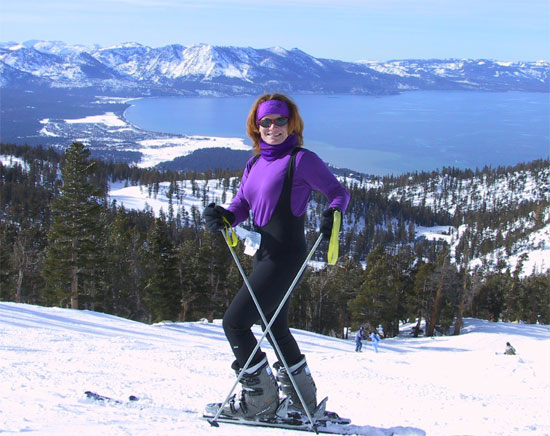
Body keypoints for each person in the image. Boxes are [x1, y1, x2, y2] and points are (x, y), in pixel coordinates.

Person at [203, 93, 350, 419]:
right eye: (265, 121)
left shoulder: (301, 160)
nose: (273, 127)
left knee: (235, 323)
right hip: (265, 254)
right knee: (275, 328)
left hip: (285, 257)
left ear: (291, 122)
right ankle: (303, 402)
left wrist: (334, 213)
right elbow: (243, 204)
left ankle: (260, 401)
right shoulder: (254, 163)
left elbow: (338, 192)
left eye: (280, 120)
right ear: (256, 126)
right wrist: (225, 216)